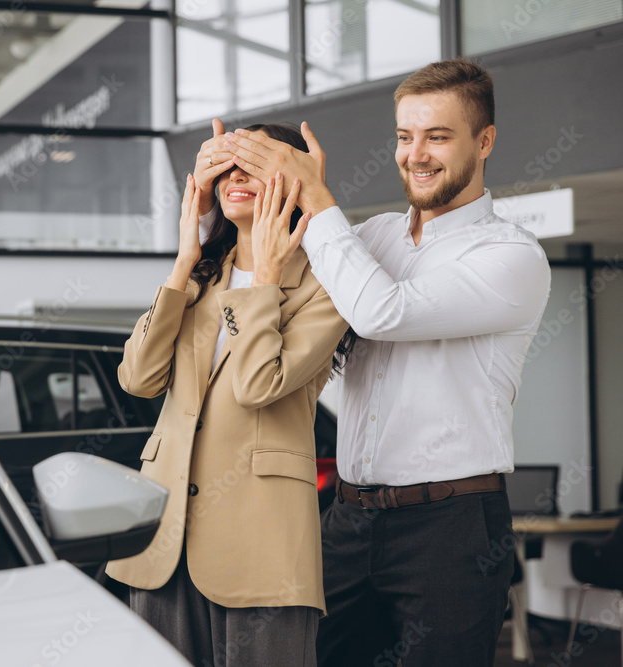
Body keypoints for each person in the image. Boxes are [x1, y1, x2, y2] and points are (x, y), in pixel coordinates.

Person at [215, 59, 552, 666]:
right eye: (404, 136)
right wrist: (241, 187)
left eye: (438, 136)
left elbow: (382, 312)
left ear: (485, 140)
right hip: (348, 519)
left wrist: (315, 196)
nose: (415, 155)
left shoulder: (512, 256)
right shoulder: (368, 239)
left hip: (450, 530)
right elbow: (270, 293)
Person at [106, 123, 352, 667]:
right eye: (229, 163)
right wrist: (182, 262)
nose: (237, 174)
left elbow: (256, 384)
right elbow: (138, 378)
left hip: (262, 545)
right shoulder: (200, 275)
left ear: (294, 181)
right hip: (164, 540)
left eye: (257, 163)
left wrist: (264, 278)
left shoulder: (328, 284)